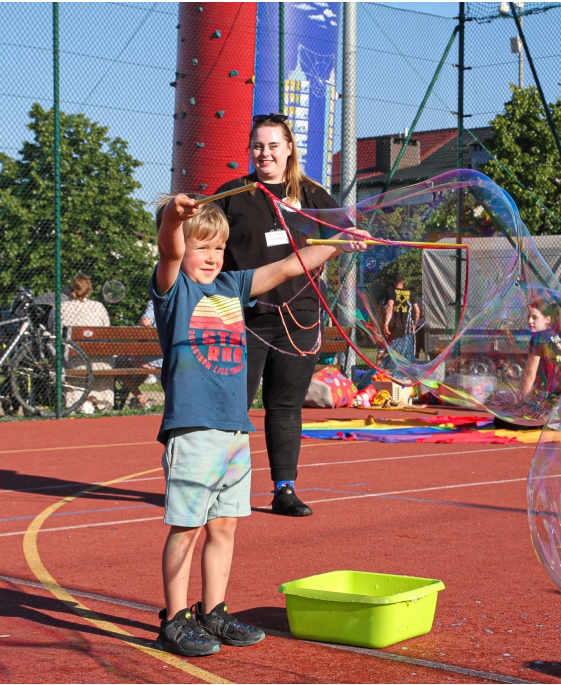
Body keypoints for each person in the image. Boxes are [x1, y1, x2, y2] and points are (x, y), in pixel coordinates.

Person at [148, 193, 366, 656]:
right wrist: (173, 218)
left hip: (232, 430)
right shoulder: (175, 292)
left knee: (224, 526)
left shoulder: (231, 285)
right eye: (200, 246)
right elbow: (168, 248)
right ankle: (174, 618)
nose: (211, 257)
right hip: (193, 429)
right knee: (187, 527)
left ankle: (214, 610)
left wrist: (338, 244)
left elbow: (287, 267)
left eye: (218, 248)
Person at [211, 112, 342, 517]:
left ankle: (284, 489)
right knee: (233, 405)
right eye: (257, 146)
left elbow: (344, 235)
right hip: (243, 316)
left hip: (299, 317)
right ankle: (220, 487)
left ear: (289, 149)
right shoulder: (232, 194)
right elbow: (203, 243)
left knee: (285, 406)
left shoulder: (313, 194)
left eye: (272, 145)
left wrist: (349, 242)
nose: (264, 153)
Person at [49, 274, 113, 412]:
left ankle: (78, 402)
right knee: (104, 362)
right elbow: (107, 332)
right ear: (88, 291)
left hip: (71, 360)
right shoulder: (98, 307)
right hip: (100, 360)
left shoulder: (59, 307)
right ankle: (95, 400)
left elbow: (52, 330)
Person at [520, 297, 561, 407]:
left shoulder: (538, 338)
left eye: (534, 318)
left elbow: (530, 375)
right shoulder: (556, 336)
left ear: (547, 320)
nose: (530, 321)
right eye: (528, 317)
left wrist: (522, 403)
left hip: (547, 400)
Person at [382, 272, 420, 365]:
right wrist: (415, 323)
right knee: (405, 349)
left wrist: (386, 324)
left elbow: (390, 307)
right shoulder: (411, 293)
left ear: (394, 282)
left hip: (394, 325)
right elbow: (417, 310)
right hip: (407, 326)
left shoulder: (391, 292)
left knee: (393, 349)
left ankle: (394, 368)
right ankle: (404, 369)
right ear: (404, 281)